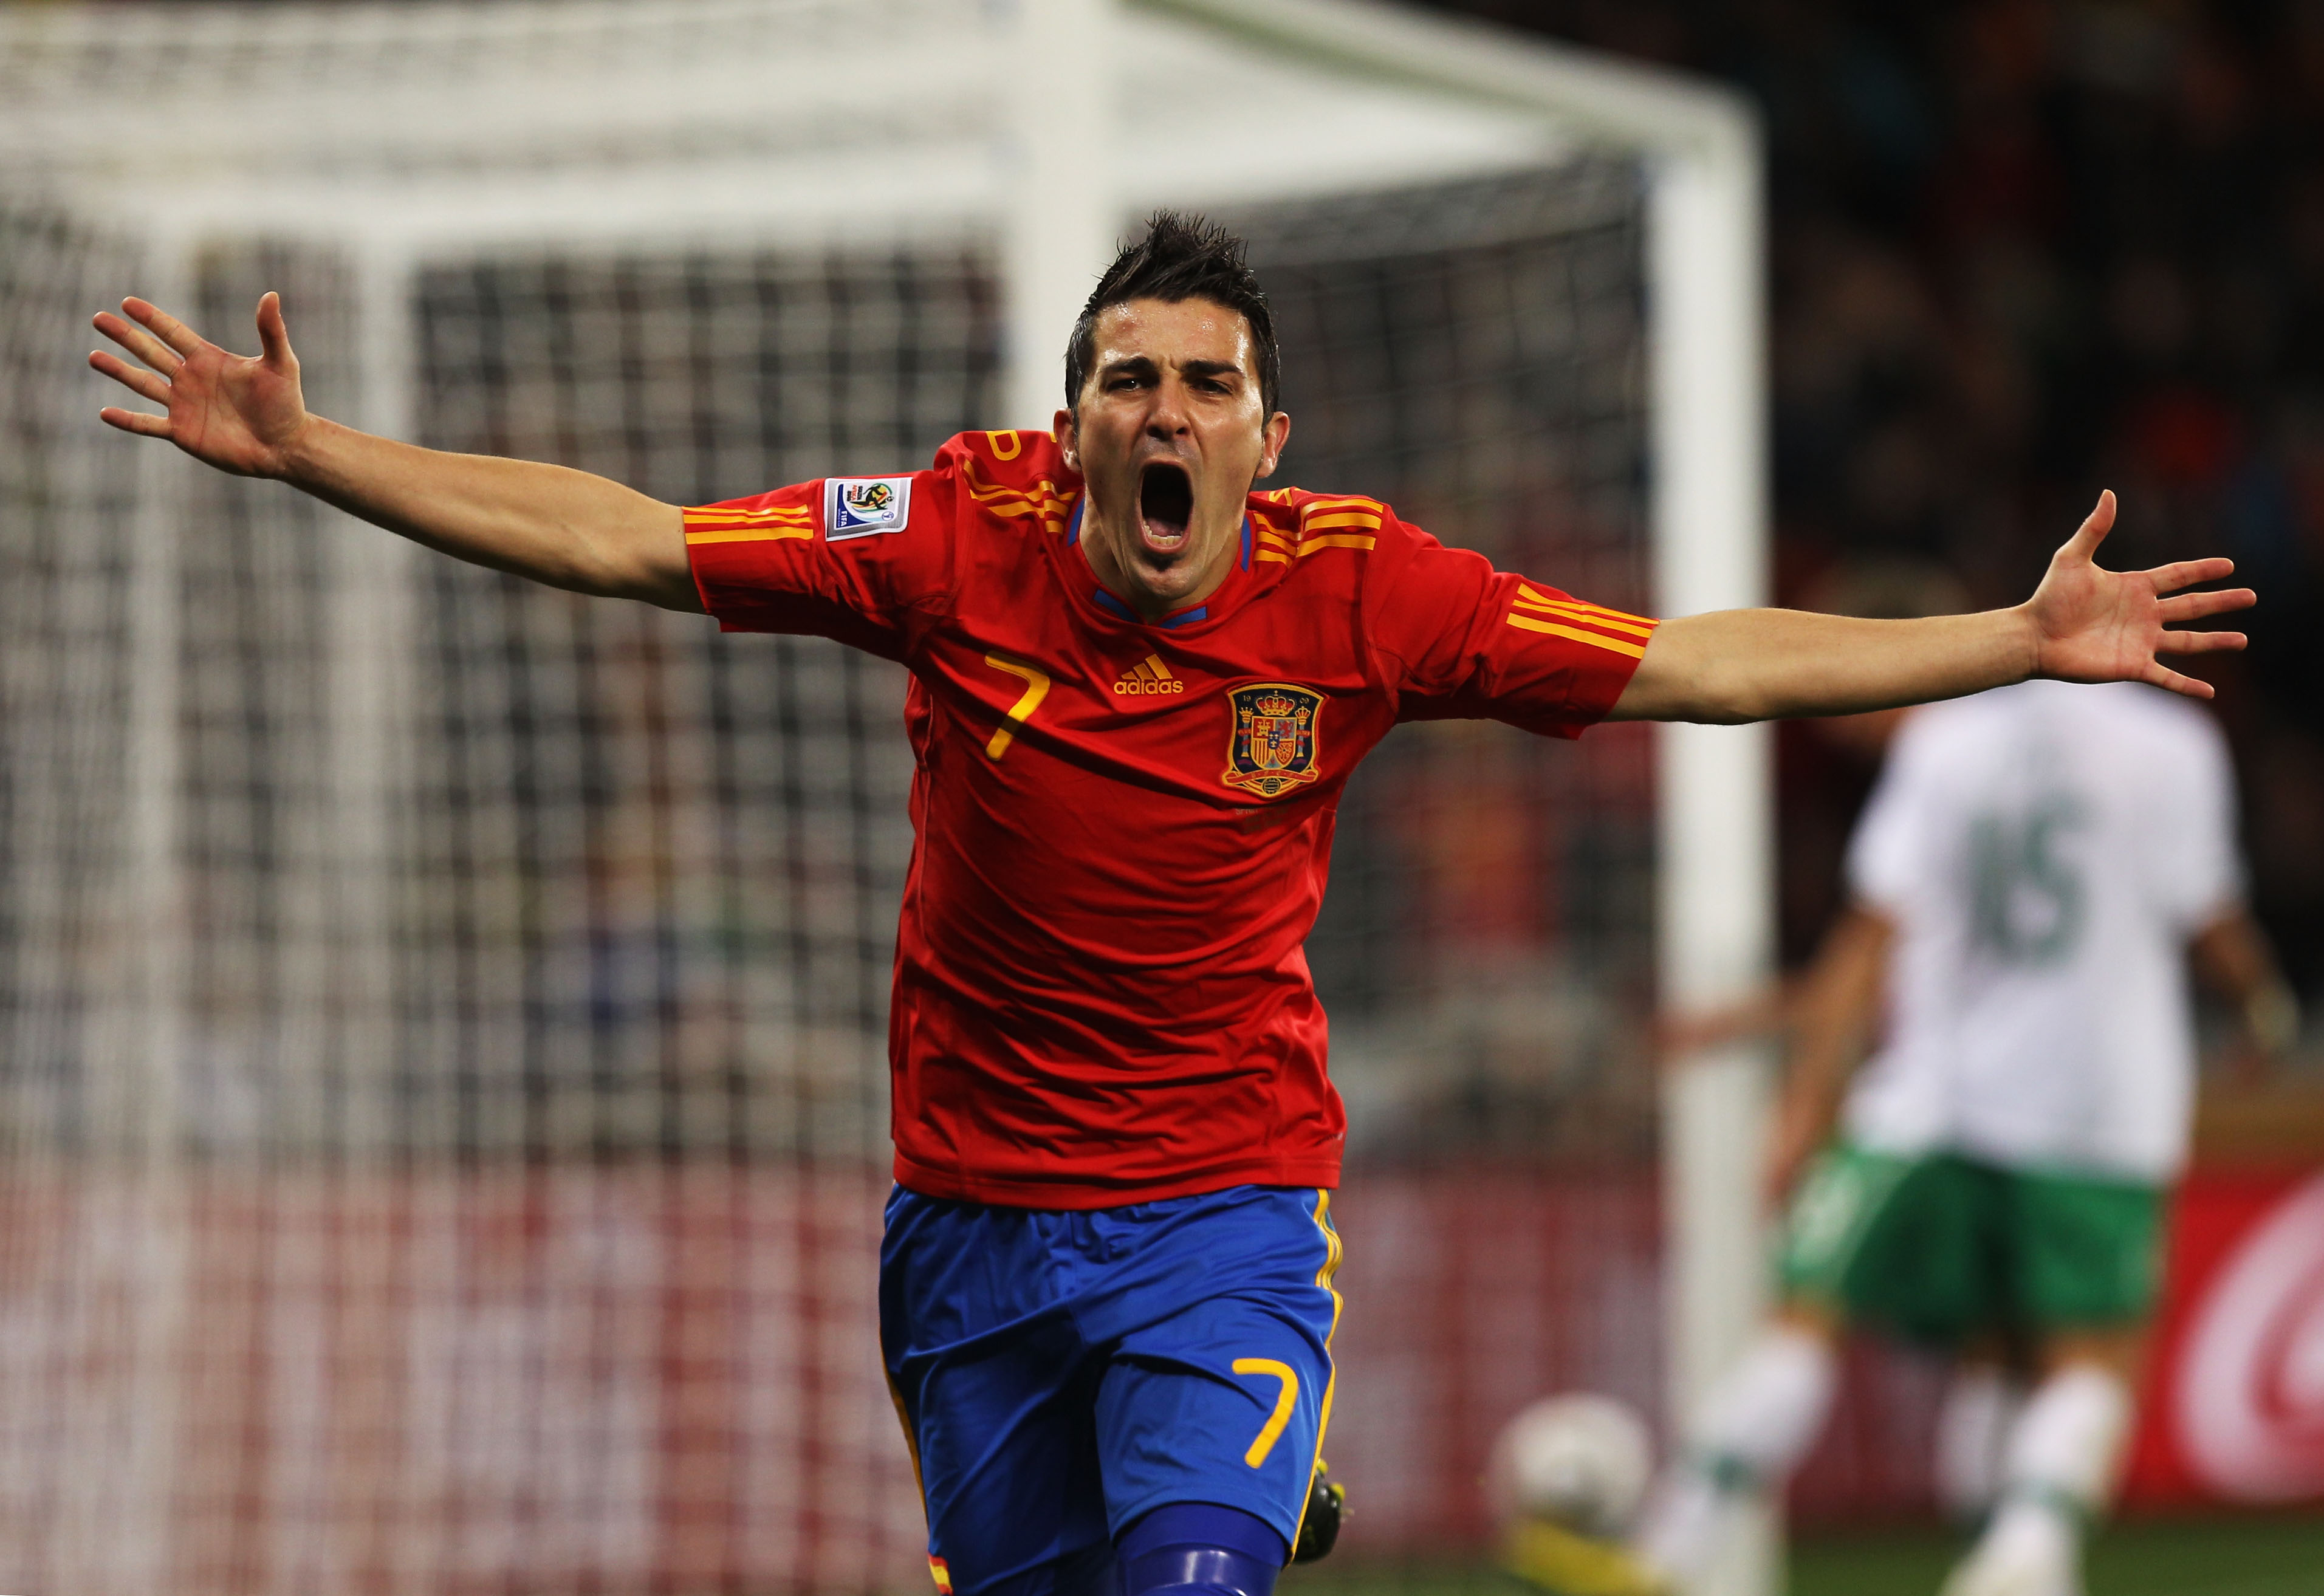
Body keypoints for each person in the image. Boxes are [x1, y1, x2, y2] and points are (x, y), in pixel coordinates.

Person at [88, 213, 2253, 1596]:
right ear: (1069, 421)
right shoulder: (945, 534)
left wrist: (1997, 632)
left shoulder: (1365, 584)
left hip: (1221, 1190)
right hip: (967, 1213)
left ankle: (1232, 1473)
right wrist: (322, 453)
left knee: (1194, 1576)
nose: (1164, 407)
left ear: (1261, 429)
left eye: (1204, 379)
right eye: (1127, 373)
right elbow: (632, 536)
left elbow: (1692, 660)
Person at [1625, 670, 2295, 1596]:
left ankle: (1670, 1544)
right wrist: (2262, 1009)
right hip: (2096, 1110)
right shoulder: (2173, 744)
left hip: (1928, 1104)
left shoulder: (1946, 741)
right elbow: (2208, 916)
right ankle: (2023, 1555)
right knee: (2084, 1361)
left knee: (1805, 1326)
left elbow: (1869, 937)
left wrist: (1803, 1101)